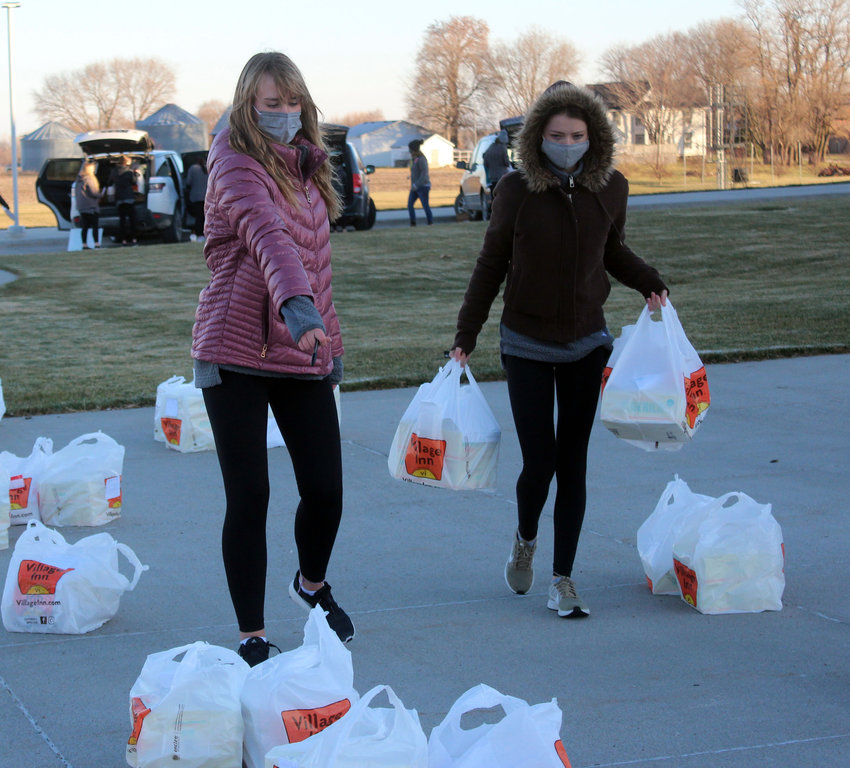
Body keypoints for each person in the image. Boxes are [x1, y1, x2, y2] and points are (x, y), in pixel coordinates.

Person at [449, 81, 668, 619]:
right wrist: (466, 335)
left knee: (573, 462)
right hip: (525, 342)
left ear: (593, 136)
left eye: (576, 134)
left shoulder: (610, 187)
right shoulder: (515, 190)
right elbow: (491, 263)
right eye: (555, 135)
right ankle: (525, 536)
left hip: (587, 342)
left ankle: (563, 579)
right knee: (540, 460)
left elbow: (612, 248)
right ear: (537, 137)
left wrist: (647, 279)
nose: (567, 143)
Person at [191, 51, 353, 666]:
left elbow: (318, 264)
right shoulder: (233, 164)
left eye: (292, 102)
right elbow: (271, 240)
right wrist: (300, 312)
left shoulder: (309, 166)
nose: (283, 114)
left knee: (326, 489)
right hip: (235, 349)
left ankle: (311, 586)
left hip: (300, 345)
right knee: (250, 494)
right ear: (246, 105)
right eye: (270, 103)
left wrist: (327, 342)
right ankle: (252, 636)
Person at [109, 156, 138, 245]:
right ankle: (133, 238)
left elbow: (109, 182)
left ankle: (123, 239)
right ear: (126, 163)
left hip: (119, 198)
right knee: (132, 219)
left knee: (122, 220)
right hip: (129, 198)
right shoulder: (129, 172)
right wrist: (135, 173)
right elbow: (134, 182)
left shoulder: (114, 172)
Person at [74, 160, 103, 249]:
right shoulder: (89, 178)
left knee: (85, 226)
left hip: (81, 206)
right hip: (91, 205)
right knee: (95, 226)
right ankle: (97, 243)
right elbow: (93, 192)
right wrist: (101, 195)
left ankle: (84, 244)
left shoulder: (78, 179)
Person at [407, 138, 433, 226]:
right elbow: (414, 171)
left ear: (414, 150)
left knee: (425, 206)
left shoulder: (422, 159)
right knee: (410, 205)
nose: (409, 152)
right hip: (414, 187)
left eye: (410, 150)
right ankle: (413, 223)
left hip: (423, 186)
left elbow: (424, 174)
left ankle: (430, 222)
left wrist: (417, 184)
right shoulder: (414, 159)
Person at [185, 156, 208, 241]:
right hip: (207, 197)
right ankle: (207, 234)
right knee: (207, 217)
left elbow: (188, 182)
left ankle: (199, 234)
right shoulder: (209, 168)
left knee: (199, 217)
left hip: (196, 197)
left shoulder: (193, 168)